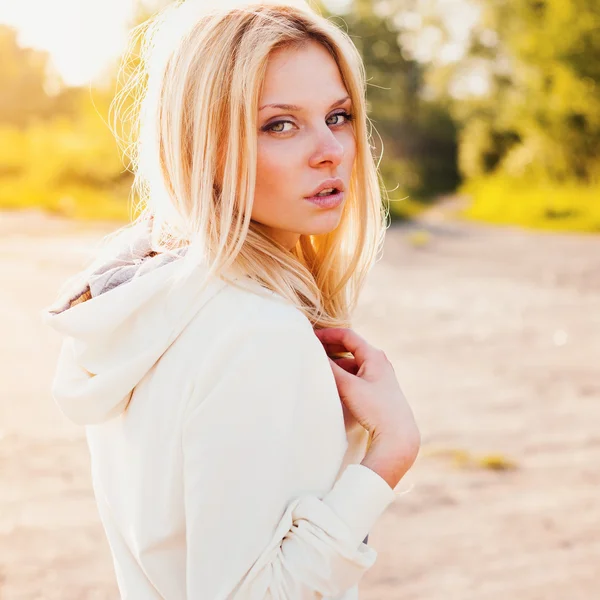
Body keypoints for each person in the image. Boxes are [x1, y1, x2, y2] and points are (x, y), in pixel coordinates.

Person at [41, 0, 420, 598]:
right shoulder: (254, 332)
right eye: (280, 124)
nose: (331, 150)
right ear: (203, 148)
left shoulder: (156, 304)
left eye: (339, 115)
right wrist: (389, 456)